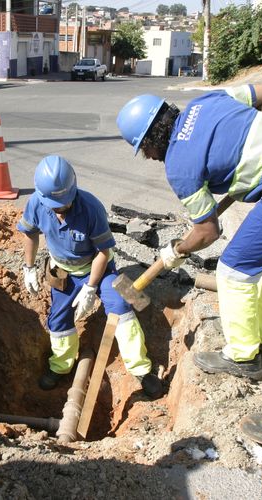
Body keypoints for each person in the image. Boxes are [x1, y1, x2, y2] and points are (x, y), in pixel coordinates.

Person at [116, 84, 262, 381]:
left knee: (233, 270)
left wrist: (177, 250)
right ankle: (261, 338)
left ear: (150, 140)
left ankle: (242, 357)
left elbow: (207, 231)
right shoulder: (206, 102)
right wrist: (256, 166)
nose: (148, 157)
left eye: (143, 149)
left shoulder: (180, 166)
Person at [17, 155, 163, 398]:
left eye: (63, 204)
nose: (60, 210)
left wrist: (90, 288)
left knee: (121, 306)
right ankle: (61, 366)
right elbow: (30, 234)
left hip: (100, 267)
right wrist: (29, 267)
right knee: (59, 317)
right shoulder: (36, 203)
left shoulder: (91, 207)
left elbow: (103, 252)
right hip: (62, 268)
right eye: (54, 205)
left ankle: (141, 370)